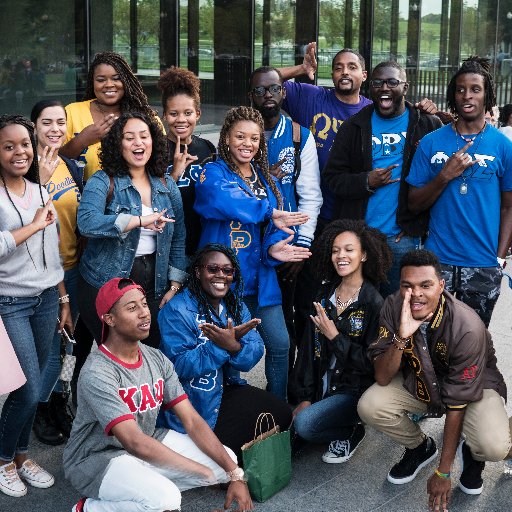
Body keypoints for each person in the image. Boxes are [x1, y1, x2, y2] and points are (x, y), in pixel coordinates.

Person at [64, 277, 253, 512]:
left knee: (226, 462)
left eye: (144, 304)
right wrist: (197, 470)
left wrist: (235, 475)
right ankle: (90, 507)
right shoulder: (97, 372)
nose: (144, 313)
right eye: (132, 308)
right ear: (110, 319)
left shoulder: (156, 358)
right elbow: (132, 441)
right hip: (97, 458)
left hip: (148, 442)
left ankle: (145, 487)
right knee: (167, 500)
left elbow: (192, 420)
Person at [358, 249, 511, 510]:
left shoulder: (467, 326)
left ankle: (473, 450)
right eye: (408, 285)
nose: (416, 294)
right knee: (370, 406)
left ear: (441, 286)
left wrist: (443, 473)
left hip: (473, 390)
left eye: (425, 285)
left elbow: (457, 404)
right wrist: (402, 337)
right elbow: (382, 377)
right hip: (422, 382)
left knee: (493, 446)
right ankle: (420, 448)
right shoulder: (393, 306)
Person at [194, 106, 311, 400]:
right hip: (224, 282)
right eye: (240, 136)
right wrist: (269, 212)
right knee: (229, 352)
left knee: (281, 345)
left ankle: (277, 409)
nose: (247, 144)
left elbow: (275, 227)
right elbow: (226, 201)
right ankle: (229, 407)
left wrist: (274, 249)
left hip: (262, 281)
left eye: (255, 139)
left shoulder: (264, 178)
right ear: (227, 139)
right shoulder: (213, 172)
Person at [158, 243, 293, 459]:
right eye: (213, 269)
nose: (221, 275)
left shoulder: (236, 306)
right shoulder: (177, 310)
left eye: (227, 270)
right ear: (198, 271)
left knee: (282, 413)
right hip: (192, 400)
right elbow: (178, 365)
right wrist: (219, 346)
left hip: (226, 389)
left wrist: (234, 347)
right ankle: (210, 457)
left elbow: (254, 352)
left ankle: (220, 456)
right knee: (231, 452)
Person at [407, 57, 512, 327]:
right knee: (431, 345)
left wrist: (499, 258)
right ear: (453, 95)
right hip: (437, 263)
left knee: (472, 346)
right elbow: (414, 204)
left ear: (487, 95)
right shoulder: (431, 143)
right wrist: (444, 175)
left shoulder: (502, 146)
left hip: (483, 265)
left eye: (475, 89)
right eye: (461, 89)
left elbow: (508, 207)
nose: (467, 96)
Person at [322, 61, 442, 297]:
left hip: (402, 238)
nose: (384, 88)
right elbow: (333, 178)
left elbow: (437, 181)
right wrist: (367, 181)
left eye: (392, 82)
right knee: (358, 311)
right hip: (360, 239)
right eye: (377, 83)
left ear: (405, 87)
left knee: (398, 309)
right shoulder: (353, 127)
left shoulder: (426, 125)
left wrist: (415, 225)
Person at [0, 114, 72, 497]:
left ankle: (21, 454)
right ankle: (1, 458)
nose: (19, 152)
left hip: (45, 298)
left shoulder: (38, 190)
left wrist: (61, 297)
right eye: (8, 146)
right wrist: (34, 223)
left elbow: (52, 248)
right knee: (26, 388)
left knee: (40, 380)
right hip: (10, 300)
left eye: (24, 144)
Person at [77, 112, 187, 348]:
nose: (138, 143)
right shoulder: (103, 181)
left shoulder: (167, 186)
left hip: (153, 288)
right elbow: (86, 222)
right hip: (104, 284)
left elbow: (178, 239)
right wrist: (138, 220)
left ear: (153, 142)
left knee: (149, 353)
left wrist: (175, 285)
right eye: (129, 138)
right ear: (118, 145)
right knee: (115, 354)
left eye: (143, 136)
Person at [292, 219, 391, 464]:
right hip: (320, 387)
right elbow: (306, 350)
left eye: (349, 250)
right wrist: (303, 396)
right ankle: (319, 414)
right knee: (292, 419)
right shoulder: (324, 295)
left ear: (364, 255)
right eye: (335, 250)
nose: (340, 256)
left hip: (352, 391)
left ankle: (352, 431)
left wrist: (335, 337)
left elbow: (371, 365)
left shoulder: (374, 303)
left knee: (305, 425)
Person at [248, 65, 322, 378]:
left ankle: (286, 392)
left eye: (274, 88)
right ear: (250, 95)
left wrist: (303, 242)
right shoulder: (238, 133)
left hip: (285, 247)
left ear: (284, 92)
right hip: (246, 245)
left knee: (287, 322)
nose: (268, 95)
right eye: (260, 90)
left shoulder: (297, 135)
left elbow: (311, 196)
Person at [30, 100, 83, 445]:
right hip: (44, 275)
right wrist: (40, 182)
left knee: (69, 346)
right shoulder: (25, 167)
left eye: (60, 122)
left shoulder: (69, 164)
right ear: (33, 126)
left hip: (74, 267)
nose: (54, 128)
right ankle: (36, 409)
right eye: (46, 122)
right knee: (49, 349)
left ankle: (58, 400)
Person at [60, 51, 162, 181]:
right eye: (101, 80)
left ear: (126, 80)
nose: (109, 84)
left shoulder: (146, 116)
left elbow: (160, 160)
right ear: (92, 82)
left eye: (116, 78)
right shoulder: (72, 112)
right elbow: (55, 161)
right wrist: (82, 140)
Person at [158, 66, 216, 259]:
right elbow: (149, 200)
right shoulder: (153, 150)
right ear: (164, 115)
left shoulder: (207, 148)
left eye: (188, 113)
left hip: (202, 244)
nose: (181, 119)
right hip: (167, 248)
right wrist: (174, 174)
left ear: (197, 114)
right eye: (174, 114)